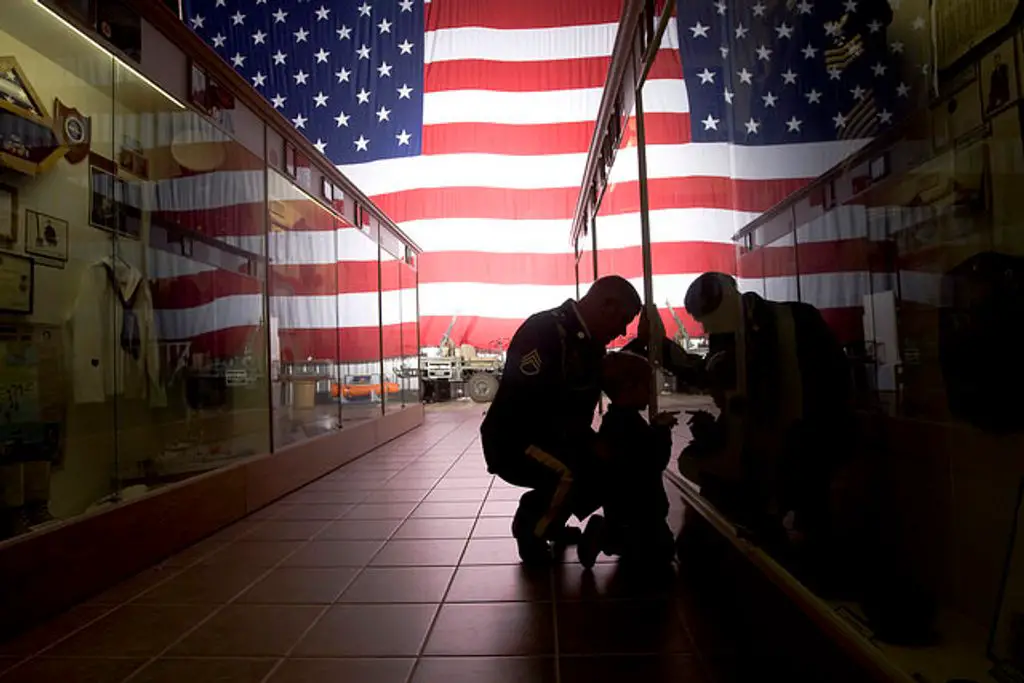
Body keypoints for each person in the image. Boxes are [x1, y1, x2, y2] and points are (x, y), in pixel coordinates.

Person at [480, 276, 643, 563]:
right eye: (623, 319)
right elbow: (530, 406)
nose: (622, 330)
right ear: (607, 305)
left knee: (608, 465)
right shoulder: (545, 331)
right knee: (570, 471)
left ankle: (551, 522)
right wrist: (587, 444)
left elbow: (612, 376)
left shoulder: (587, 340)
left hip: (552, 437)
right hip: (516, 439)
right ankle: (531, 528)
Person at [577, 350, 678, 569]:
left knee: (651, 546)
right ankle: (604, 535)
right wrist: (662, 431)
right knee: (660, 551)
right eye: (647, 386)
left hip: (622, 507)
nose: (651, 393)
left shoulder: (617, 422)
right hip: (639, 509)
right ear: (629, 388)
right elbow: (654, 461)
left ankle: (609, 533)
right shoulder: (629, 425)